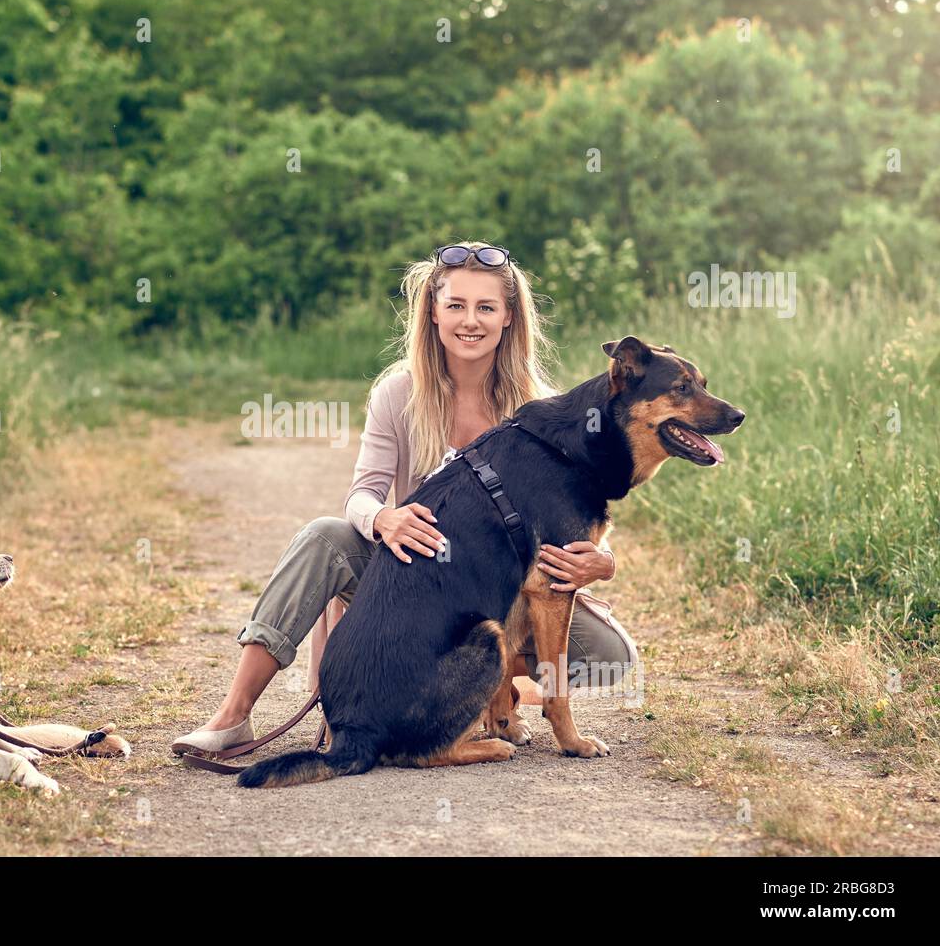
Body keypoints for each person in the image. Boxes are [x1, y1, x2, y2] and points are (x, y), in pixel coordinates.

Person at [170, 242, 639, 756]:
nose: (470, 321)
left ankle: (472, 695)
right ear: (433, 314)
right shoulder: (399, 392)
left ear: (509, 318)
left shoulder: (540, 404)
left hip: (499, 586)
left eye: (486, 308)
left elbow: (578, 516)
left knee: (609, 651)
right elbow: (362, 495)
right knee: (323, 536)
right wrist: (383, 519)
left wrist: (604, 563)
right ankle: (234, 715)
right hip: (413, 574)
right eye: (456, 305)